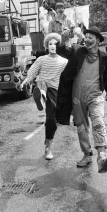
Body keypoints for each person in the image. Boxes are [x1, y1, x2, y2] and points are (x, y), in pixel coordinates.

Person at [56, 26, 107, 173]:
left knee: (98, 122)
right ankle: (87, 155)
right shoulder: (77, 51)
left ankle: (102, 155)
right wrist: (64, 39)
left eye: (91, 37)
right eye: (86, 36)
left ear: (98, 40)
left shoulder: (104, 56)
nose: (87, 39)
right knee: (81, 127)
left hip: (95, 96)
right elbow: (62, 51)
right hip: (77, 97)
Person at [21, 33, 68, 160]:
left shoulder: (64, 62)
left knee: (51, 120)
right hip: (42, 84)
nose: (52, 46)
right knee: (41, 84)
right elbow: (32, 72)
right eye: (50, 44)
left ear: (59, 46)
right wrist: (25, 81)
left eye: (55, 44)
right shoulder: (41, 59)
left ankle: (48, 144)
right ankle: (41, 96)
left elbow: (69, 78)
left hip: (55, 90)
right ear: (46, 46)